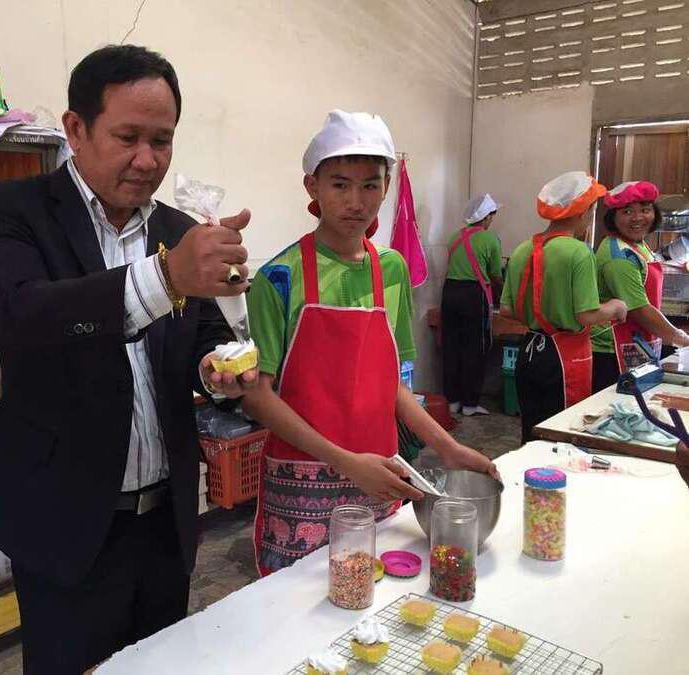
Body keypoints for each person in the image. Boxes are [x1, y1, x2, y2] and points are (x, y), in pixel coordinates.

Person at [0, 45, 257, 673]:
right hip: (65, 520)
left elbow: (199, 336)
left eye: (162, 141)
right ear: (76, 129)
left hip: (165, 521)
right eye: (127, 137)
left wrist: (216, 370)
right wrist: (165, 278)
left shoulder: (176, 229)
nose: (147, 160)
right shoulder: (9, 210)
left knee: (159, 665)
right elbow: (15, 314)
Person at [242, 110, 498, 576]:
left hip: (379, 474)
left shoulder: (392, 269)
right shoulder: (278, 277)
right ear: (312, 187)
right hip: (301, 478)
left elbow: (392, 384)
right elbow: (258, 397)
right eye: (340, 185)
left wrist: (447, 447)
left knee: (375, 595)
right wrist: (346, 463)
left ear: (386, 187)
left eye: (370, 185)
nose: (356, 201)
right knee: (297, 605)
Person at [500, 171, 627, 445]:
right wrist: (615, 306)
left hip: (529, 352)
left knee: (532, 433)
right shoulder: (578, 252)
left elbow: (507, 310)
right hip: (564, 357)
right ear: (583, 212)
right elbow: (586, 314)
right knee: (562, 434)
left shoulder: (522, 250)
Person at [591, 181, 689, 391]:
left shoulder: (638, 245)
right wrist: (681, 338)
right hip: (612, 351)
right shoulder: (618, 256)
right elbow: (640, 310)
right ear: (613, 217)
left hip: (639, 344)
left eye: (645, 210)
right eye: (627, 212)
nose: (638, 218)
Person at [441, 194, 503, 416]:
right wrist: (504, 294)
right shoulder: (490, 239)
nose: (491, 221)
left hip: (450, 293)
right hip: (473, 296)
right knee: (475, 349)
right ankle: (469, 404)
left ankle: (452, 401)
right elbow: (495, 275)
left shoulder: (453, 237)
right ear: (485, 217)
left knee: (451, 347)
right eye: (491, 217)